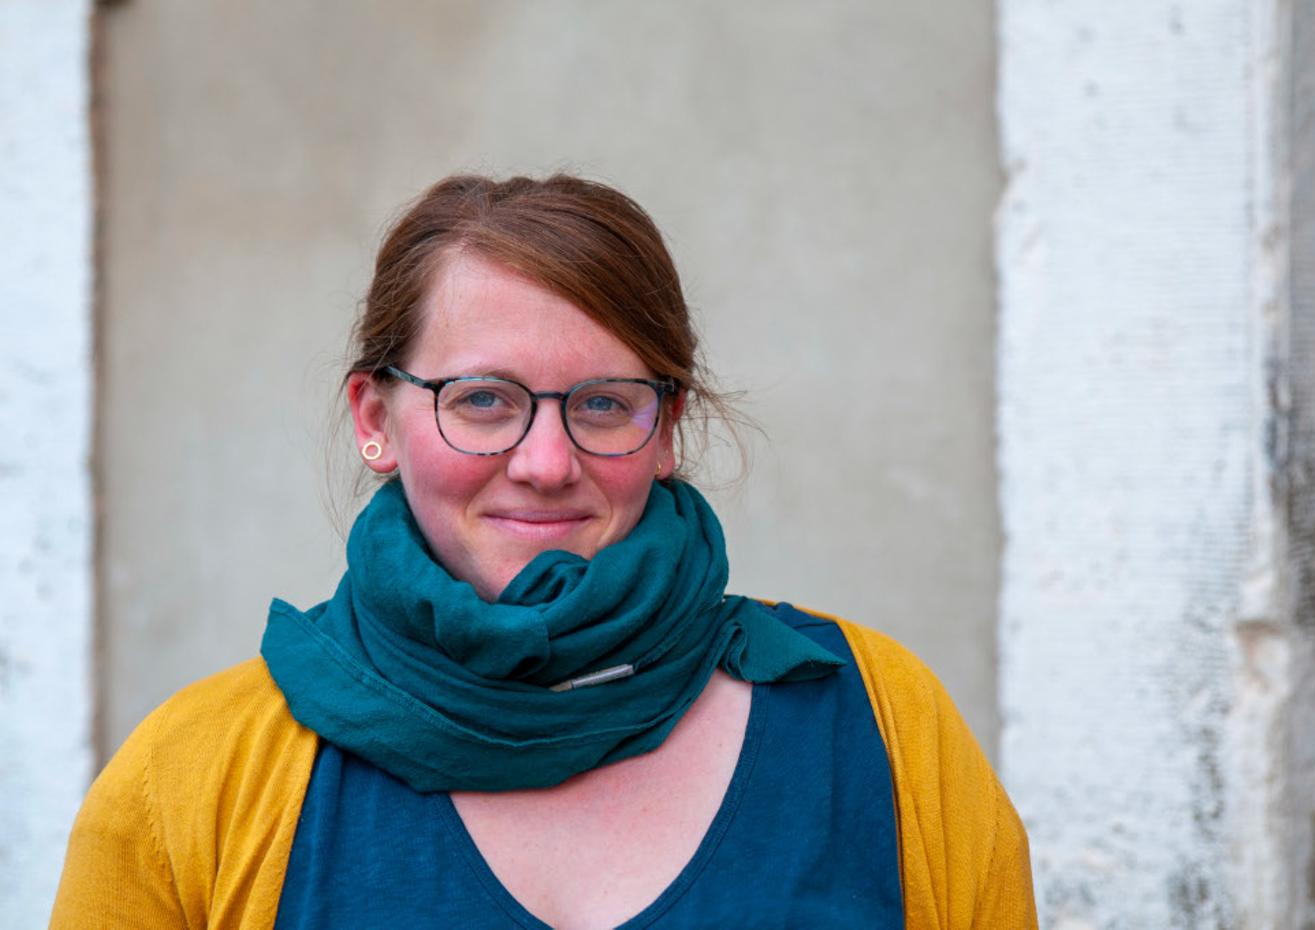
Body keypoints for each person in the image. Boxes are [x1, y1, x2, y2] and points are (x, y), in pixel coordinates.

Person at [51, 174, 1037, 929]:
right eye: (483, 400)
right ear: (374, 419)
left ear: (666, 427)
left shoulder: (880, 727)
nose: (546, 463)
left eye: (603, 404)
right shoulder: (191, 783)